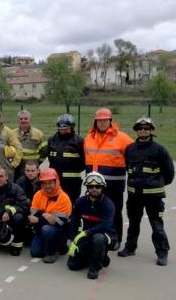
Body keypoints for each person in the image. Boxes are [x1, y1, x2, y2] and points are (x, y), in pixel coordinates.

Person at [119, 117, 174, 266]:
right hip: (134, 195)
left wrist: (156, 184)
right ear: (136, 131)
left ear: (151, 130)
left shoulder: (159, 150)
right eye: (140, 128)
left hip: (153, 197)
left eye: (146, 128)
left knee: (156, 225)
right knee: (133, 223)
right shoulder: (130, 149)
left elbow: (169, 172)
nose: (143, 131)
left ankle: (162, 252)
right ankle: (130, 248)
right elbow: (127, 168)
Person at [84, 108, 133, 250]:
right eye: (99, 120)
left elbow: (135, 155)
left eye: (105, 120)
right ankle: (98, 237)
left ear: (110, 121)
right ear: (95, 121)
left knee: (115, 211)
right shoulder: (89, 138)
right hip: (94, 185)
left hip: (114, 184)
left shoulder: (122, 138)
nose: (102, 123)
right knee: (95, 211)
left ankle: (115, 238)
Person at [67, 172, 116, 280]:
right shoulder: (80, 202)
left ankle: (95, 268)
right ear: (87, 187)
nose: (94, 189)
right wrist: (72, 239)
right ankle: (98, 257)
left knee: (98, 239)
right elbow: (74, 222)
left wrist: (85, 233)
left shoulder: (108, 204)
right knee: (72, 265)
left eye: (97, 186)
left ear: (102, 187)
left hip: (105, 236)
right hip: (87, 235)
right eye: (91, 186)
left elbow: (105, 226)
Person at [28, 168, 72, 263]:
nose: (47, 186)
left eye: (50, 183)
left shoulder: (63, 198)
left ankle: (52, 252)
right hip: (42, 228)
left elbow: (59, 222)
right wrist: (45, 215)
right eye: (44, 183)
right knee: (35, 253)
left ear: (56, 182)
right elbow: (32, 213)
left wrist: (39, 219)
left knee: (47, 229)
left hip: (59, 230)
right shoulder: (38, 195)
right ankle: (56, 246)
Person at [47, 114, 85, 203]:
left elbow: (83, 162)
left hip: (72, 183)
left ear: (72, 128)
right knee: (55, 204)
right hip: (55, 181)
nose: (63, 131)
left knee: (71, 205)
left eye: (66, 129)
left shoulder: (79, 141)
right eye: (61, 129)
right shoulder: (52, 140)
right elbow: (50, 157)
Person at [13, 110, 47, 176]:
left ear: (30, 120)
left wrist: (37, 162)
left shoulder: (38, 134)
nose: (23, 120)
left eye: (26, 118)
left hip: (33, 170)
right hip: (17, 169)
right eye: (21, 119)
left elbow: (44, 151)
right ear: (18, 120)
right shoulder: (12, 134)